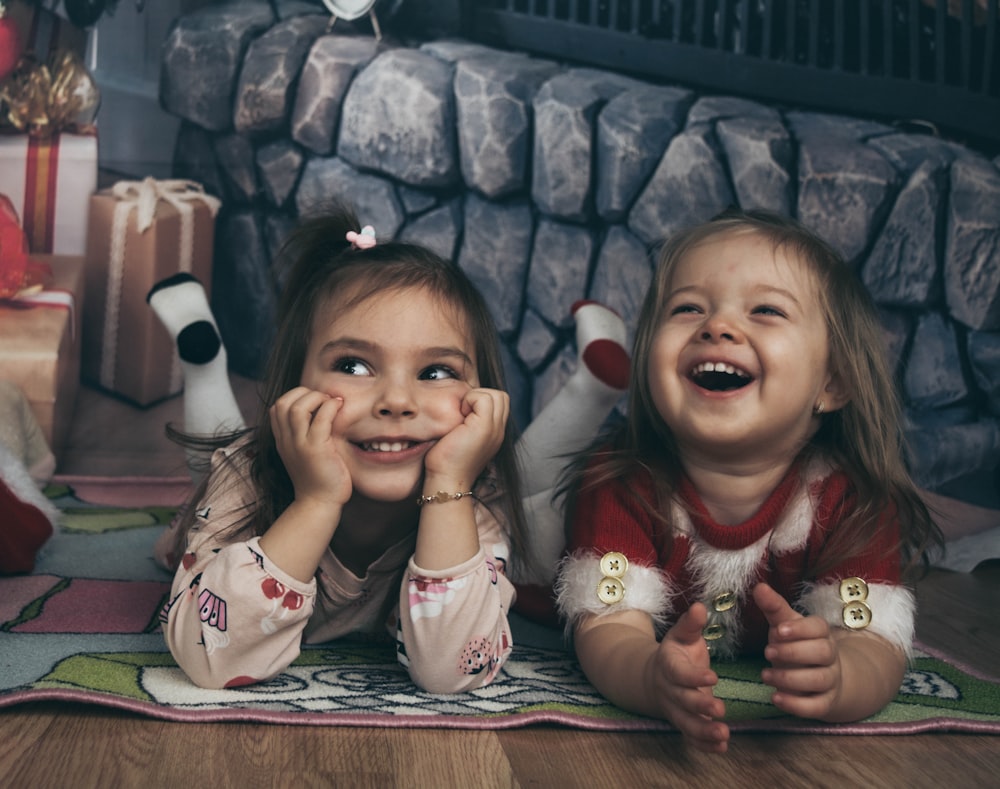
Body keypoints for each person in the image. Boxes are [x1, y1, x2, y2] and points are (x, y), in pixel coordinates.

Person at [553, 208, 944, 752]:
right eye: (687, 307)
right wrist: (649, 676)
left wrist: (843, 675)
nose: (716, 326)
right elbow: (608, 628)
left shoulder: (851, 502)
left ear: (832, 381)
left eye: (766, 310)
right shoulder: (621, 483)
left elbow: (874, 640)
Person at [152, 203, 532, 693]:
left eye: (436, 372)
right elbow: (209, 657)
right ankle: (203, 361)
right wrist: (316, 501)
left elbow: (452, 669)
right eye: (353, 366)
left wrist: (448, 487)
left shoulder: (472, 493)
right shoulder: (248, 475)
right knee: (216, 455)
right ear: (296, 385)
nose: (397, 401)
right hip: (237, 489)